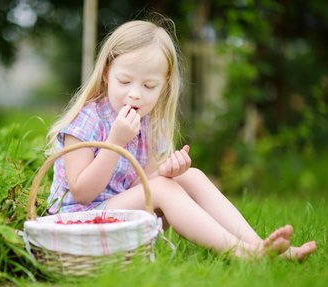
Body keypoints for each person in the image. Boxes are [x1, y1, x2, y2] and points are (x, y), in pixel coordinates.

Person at [45, 17, 317, 261]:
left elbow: (144, 184)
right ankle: (242, 254)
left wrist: (167, 172)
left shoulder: (151, 123)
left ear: (164, 85)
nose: (135, 94)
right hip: (77, 223)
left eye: (149, 86)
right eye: (125, 81)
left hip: (121, 216)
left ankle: (260, 246)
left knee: (192, 176)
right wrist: (115, 142)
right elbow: (81, 193)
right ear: (106, 74)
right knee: (164, 189)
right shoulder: (89, 119)